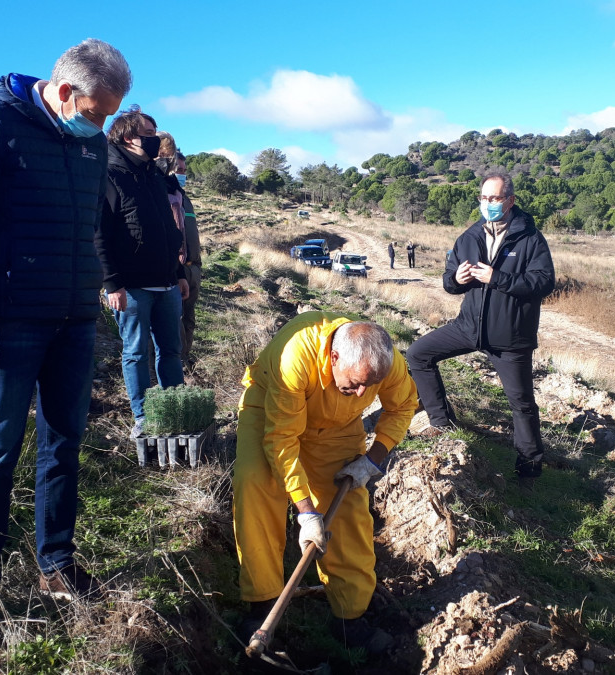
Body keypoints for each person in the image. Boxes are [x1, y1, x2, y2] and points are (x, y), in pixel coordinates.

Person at [0, 39, 130, 654]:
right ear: (66, 91)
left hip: (73, 318)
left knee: (64, 444)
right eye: (97, 111)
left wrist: (99, 288)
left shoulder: (93, 143)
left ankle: (57, 563)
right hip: (9, 321)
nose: (102, 126)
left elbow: (91, 227)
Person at [233, 312, 418, 654]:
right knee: (257, 486)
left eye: (371, 385)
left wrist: (371, 460)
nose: (363, 392)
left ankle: (350, 617)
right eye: (357, 382)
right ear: (334, 358)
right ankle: (262, 607)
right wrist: (305, 512)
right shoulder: (296, 357)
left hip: (336, 426)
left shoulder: (383, 362)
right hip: (269, 408)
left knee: (348, 509)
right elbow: (282, 440)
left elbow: (404, 406)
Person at [406, 174, 554, 488]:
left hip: (510, 337)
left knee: (521, 403)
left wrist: (497, 277)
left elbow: (543, 283)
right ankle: (441, 423)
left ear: (510, 201)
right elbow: (449, 282)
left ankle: (529, 470)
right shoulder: (469, 237)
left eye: (496, 199)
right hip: (468, 327)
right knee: (418, 354)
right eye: (484, 199)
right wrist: (455, 280)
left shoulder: (530, 239)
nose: (489, 205)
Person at [95, 109, 190, 439]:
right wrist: (113, 283)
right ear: (127, 137)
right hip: (132, 288)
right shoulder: (107, 175)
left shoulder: (153, 175)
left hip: (166, 283)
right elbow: (99, 234)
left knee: (171, 350)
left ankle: (175, 413)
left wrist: (177, 272)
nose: (155, 138)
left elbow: (168, 228)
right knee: (136, 352)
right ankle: (144, 417)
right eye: (148, 132)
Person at [153, 136, 204, 358]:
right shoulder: (163, 194)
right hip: (176, 269)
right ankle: (179, 361)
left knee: (190, 318)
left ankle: (187, 356)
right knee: (175, 319)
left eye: (184, 170)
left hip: (194, 268)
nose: (181, 174)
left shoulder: (185, 198)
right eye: (178, 169)